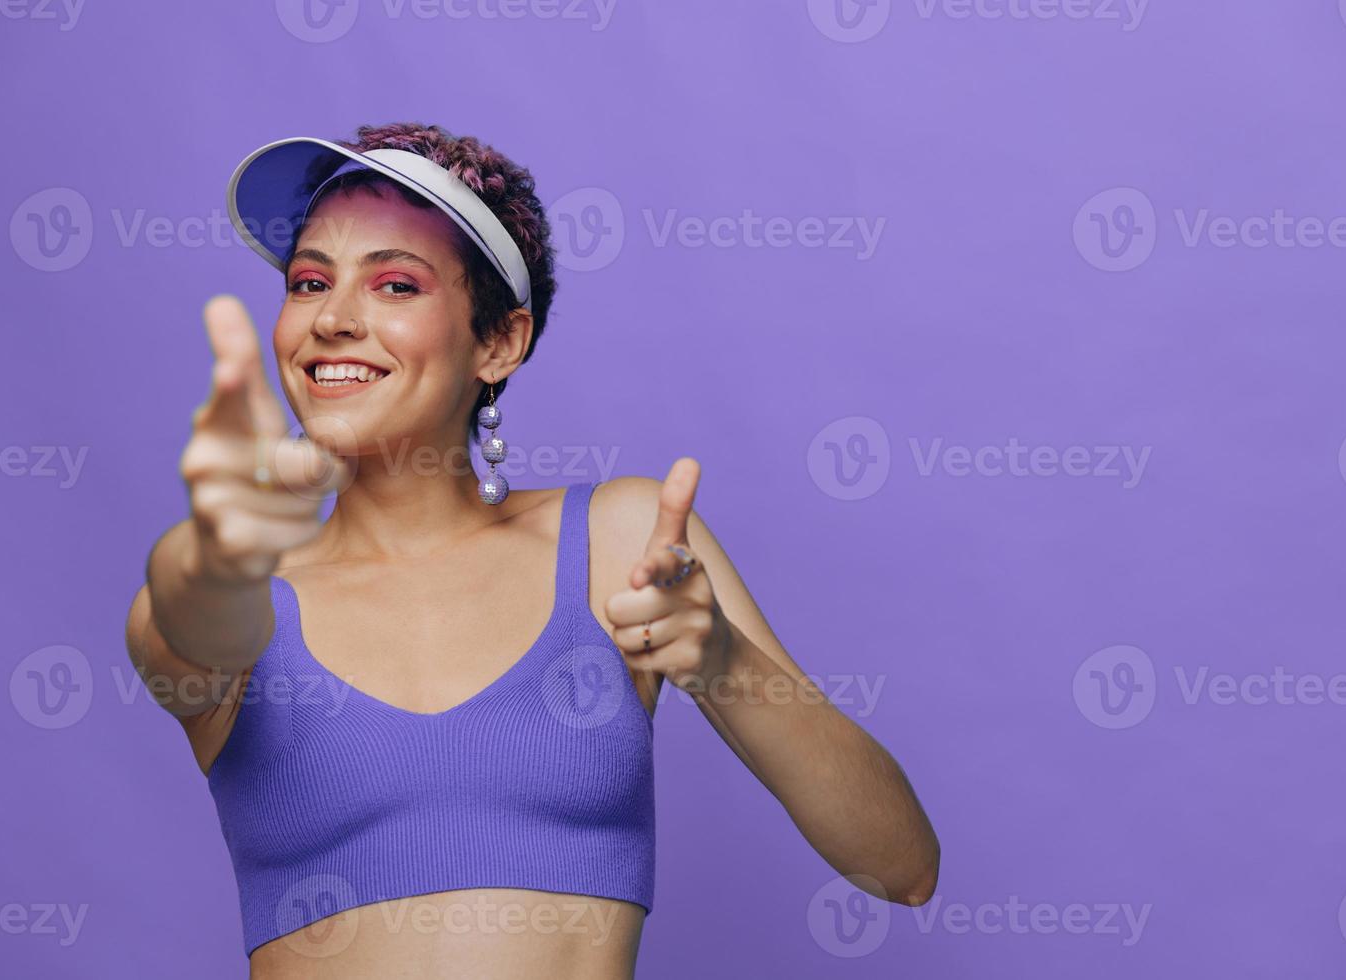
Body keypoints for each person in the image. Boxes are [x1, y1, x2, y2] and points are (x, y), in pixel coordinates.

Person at [124, 122, 939, 978]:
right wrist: (224, 546)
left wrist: (728, 664)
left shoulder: (621, 542)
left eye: (395, 284)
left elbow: (900, 867)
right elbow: (192, 611)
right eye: (309, 281)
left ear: (498, 343)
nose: (332, 318)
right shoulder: (238, 592)